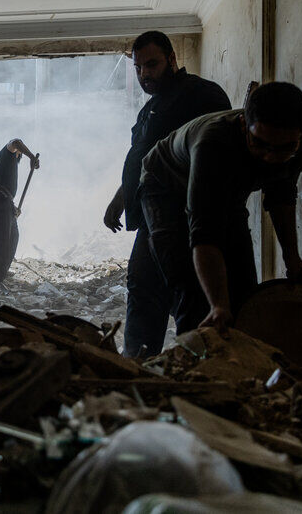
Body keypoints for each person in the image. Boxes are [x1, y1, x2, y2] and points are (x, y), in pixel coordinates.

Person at [139, 82, 302, 337]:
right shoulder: (213, 144)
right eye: (260, 144)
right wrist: (218, 305)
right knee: (193, 290)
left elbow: (281, 196)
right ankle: (197, 354)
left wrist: (291, 256)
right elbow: (204, 233)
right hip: (166, 186)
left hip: (227, 191)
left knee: (244, 293)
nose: (270, 157)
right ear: (244, 125)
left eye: (284, 148)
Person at [103, 31, 232, 357]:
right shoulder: (152, 108)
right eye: (138, 68)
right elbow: (145, 161)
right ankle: (139, 366)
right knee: (143, 290)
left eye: (151, 65)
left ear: (172, 60)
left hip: (183, 218)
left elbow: (214, 155)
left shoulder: (201, 95)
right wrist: (121, 198)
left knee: (189, 295)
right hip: (151, 219)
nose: (144, 74)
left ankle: (197, 367)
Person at [0, 139, 39, 289]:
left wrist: (13, 207)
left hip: (5, 201)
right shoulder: (6, 154)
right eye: (19, 154)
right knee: (2, 240)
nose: (19, 157)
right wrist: (32, 157)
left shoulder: (12, 163)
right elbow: (16, 141)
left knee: (13, 237)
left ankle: (2, 271)